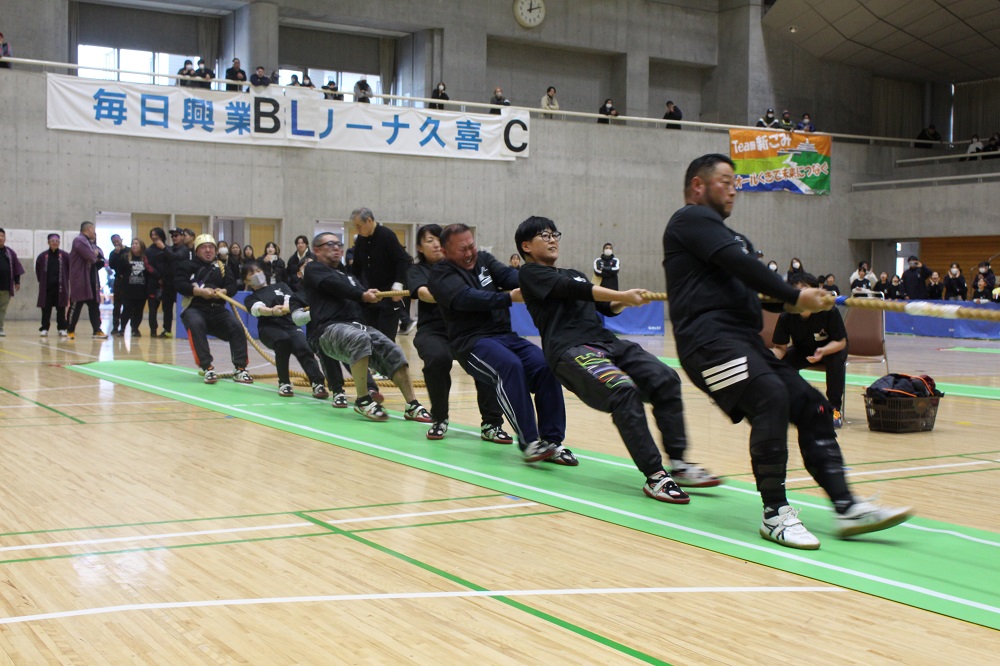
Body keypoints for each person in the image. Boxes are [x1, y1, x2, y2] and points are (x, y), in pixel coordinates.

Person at [663, 153, 911, 549]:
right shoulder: (688, 221)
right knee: (771, 397)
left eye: (736, 184)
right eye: (725, 182)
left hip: (743, 342)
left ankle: (847, 506)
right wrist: (794, 296)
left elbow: (757, 290)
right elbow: (742, 266)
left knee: (814, 408)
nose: (733, 190)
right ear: (698, 185)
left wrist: (800, 302)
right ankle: (775, 514)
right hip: (707, 344)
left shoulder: (732, 239)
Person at [516, 216, 719, 503]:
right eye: (544, 235)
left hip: (608, 343)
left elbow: (605, 308)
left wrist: (625, 300)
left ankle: (679, 463)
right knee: (623, 392)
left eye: (554, 234)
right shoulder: (530, 275)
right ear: (526, 246)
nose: (552, 240)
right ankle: (656, 476)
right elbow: (574, 290)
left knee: (665, 378)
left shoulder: (575, 273)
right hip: (572, 351)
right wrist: (622, 293)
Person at [429, 223, 573, 465]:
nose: (470, 253)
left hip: (506, 336)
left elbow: (511, 276)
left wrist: (540, 279)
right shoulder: (440, 274)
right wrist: (507, 297)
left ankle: (553, 442)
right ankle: (530, 442)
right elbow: (466, 298)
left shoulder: (484, 260)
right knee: (509, 366)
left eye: (472, 246)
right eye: (462, 249)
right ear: (445, 251)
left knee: (545, 365)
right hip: (471, 343)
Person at [301, 232, 431, 422]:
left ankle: (412, 405)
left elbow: (363, 299)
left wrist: (383, 297)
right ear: (317, 250)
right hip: (328, 329)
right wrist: (362, 295)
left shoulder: (348, 276)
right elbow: (335, 287)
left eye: (339, 244)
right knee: (358, 338)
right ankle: (363, 400)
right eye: (330, 244)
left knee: (393, 350)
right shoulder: (314, 269)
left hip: (357, 325)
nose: (336, 247)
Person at [407, 224, 513, 442]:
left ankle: (492, 424)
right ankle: (439, 418)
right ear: (419, 247)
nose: (436, 244)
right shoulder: (417, 271)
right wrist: (455, 293)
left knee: (488, 355)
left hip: (468, 329)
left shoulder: (467, 264)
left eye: (439, 239)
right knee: (437, 358)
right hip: (435, 330)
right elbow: (425, 294)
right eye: (429, 240)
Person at [242, 261, 329, 399]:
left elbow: (290, 299)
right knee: (283, 341)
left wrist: (286, 308)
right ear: (246, 281)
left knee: (303, 347)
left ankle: (317, 383)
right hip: (269, 327)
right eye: (251, 273)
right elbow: (258, 309)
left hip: (290, 324)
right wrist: (272, 311)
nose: (257, 274)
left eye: (258, 271)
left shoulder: (281, 286)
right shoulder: (250, 298)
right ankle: (284, 383)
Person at [771, 273, 848, 428]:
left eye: (805, 288)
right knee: (783, 363)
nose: (801, 292)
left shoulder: (829, 311)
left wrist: (823, 351)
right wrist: (766, 357)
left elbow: (841, 342)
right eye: (796, 289)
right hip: (803, 350)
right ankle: (790, 404)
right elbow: (780, 348)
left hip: (831, 350)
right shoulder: (786, 315)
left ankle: (834, 408)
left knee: (835, 361)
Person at [175, 234, 252, 384]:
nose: (208, 250)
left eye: (211, 247)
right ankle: (207, 367)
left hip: (217, 310)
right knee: (195, 323)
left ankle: (240, 368)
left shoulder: (222, 267)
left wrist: (224, 291)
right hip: (195, 308)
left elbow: (232, 286)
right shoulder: (186, 266)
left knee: (236, 326)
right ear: (197, 251)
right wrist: (199, 292)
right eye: (204, 247)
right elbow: (179, 284)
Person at [350, 207, 412, 342]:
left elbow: (402, 260)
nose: (357, 230)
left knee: (386, 338)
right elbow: (356, 268)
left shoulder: (387, 235)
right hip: (371, 294)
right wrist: (352, 286)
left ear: (369, 220)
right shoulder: (360, 239)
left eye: (359, 226)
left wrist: (398, 283)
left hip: (389, 294)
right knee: (370, 337)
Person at [67, 221, 107, 340]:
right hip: (81, 279)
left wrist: (97, 254)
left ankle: (97, 330)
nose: (94, 233)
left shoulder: (91, 243)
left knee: (94, 306)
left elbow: (101, 256)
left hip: (92, 279)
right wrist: (95, 255)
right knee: (76, 305)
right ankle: (70, 330)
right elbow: (91, 256)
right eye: (93, 230)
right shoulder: (79, 240)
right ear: (88, 229)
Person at [34, 233, 70, 337]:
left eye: (57, 241)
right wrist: (42, 281)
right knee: (46, 309)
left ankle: (62, 328)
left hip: (60, 288)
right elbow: (38, 270)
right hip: (47, 288)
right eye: (52, 241)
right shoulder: (42, 256)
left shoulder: (65, 256)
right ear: (48, 242)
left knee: (61, 309)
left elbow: (69, 269)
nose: (55, 243)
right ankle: (44, 328)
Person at [117, 239, 153, 336]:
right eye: (132, 243)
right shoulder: (125, 257)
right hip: (128, 289)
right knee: (126, 310)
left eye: (136, 244)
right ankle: (122, 329)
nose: (134, 245)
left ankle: (135, 329)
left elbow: (149, 272)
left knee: (138, 311)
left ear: (141, 246)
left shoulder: (145, 259)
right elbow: (120, 273)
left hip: (141, 290)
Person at [146, 227, 173, 338]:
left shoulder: (168, 249)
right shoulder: (148, 250)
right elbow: (148, 266)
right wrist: (158, 277)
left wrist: (164, 278)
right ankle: (153, 330)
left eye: (156, 234)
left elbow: (172, 262)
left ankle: (167, 330)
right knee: (152, 309)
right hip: (153, 283)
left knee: (167, 309)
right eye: (152, 235)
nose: (154, 236)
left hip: (167, 284)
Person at [0, 228, 25, 336]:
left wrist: (17, 281)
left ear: (5, 238)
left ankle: (0, 328)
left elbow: (16, 267)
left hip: (6, 286)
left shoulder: (10, 252)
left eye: (2, 236)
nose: (0, 238)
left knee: (2, 309)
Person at [107, 234, 126, 335]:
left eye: (117, 240)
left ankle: (124, 327)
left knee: (128, 305)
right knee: (117, 305)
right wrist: (116, 254)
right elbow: (112, 266)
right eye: (114, 242)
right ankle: (115, 327)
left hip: (128, 281)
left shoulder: (128, 251)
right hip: (118, 280)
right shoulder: (113, 253)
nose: (116, 243)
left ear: (121, 239)